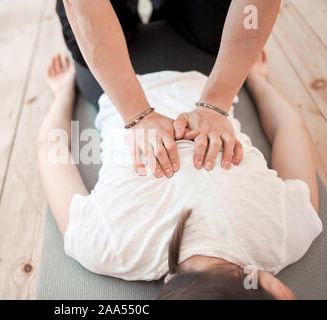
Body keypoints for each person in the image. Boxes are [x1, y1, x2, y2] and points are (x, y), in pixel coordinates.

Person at [37, 52, 322, 299]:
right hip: (108, 77)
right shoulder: (104, 248)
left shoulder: (289, 233)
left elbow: (289, 128)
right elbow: (53, 147)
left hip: (202, 66)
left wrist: (256, 79)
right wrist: (64, 92)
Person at [55, 0, 281, 178]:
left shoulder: (104, 235)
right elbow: (289, 128)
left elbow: (52, 151)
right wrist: (136, 114)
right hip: (197, 64)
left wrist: (62, 94)